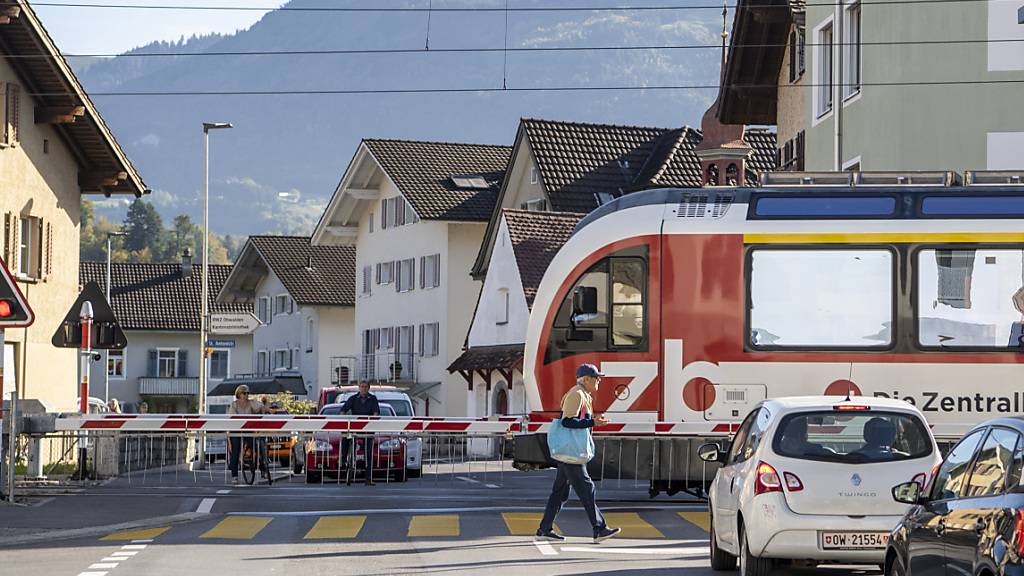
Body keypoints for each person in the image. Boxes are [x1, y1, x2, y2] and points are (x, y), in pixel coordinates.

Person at [536, 364, 620, 544]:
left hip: (570, 451)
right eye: (596, 377)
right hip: (572, 452)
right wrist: (593, 423)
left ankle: (544, 529)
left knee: (560, 493)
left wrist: (593, 422)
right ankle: (599, 528)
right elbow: (567, 421)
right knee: (586, 489)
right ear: (586, 379)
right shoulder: (577, 394)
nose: (599, 380)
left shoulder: (583, 394)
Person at [227, 385, 272, 485]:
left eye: (248, 393)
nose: (246, 395)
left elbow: (260, 406)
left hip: (248, 429)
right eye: (244, 393)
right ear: (239, 394)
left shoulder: (251, 403)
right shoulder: (234, 405)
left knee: (257, 447)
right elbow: (232, 418)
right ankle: (234, 475)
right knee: (235, 451)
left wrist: (268, 410)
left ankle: (262, 469)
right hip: (236, 430)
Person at [339, 381, 380, 485]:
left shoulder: (373, 399)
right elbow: (343, 410)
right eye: (362, 386)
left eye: (365, 387)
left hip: (368, 429)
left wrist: (372, 423)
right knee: (345, 437)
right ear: (359, 387)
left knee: (368, 453)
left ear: (369, 388)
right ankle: (343, 460)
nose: (363, 389)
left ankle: (368, 479)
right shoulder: (353, 399)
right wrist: (344, 421)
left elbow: (376, 413)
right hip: (354, 428)